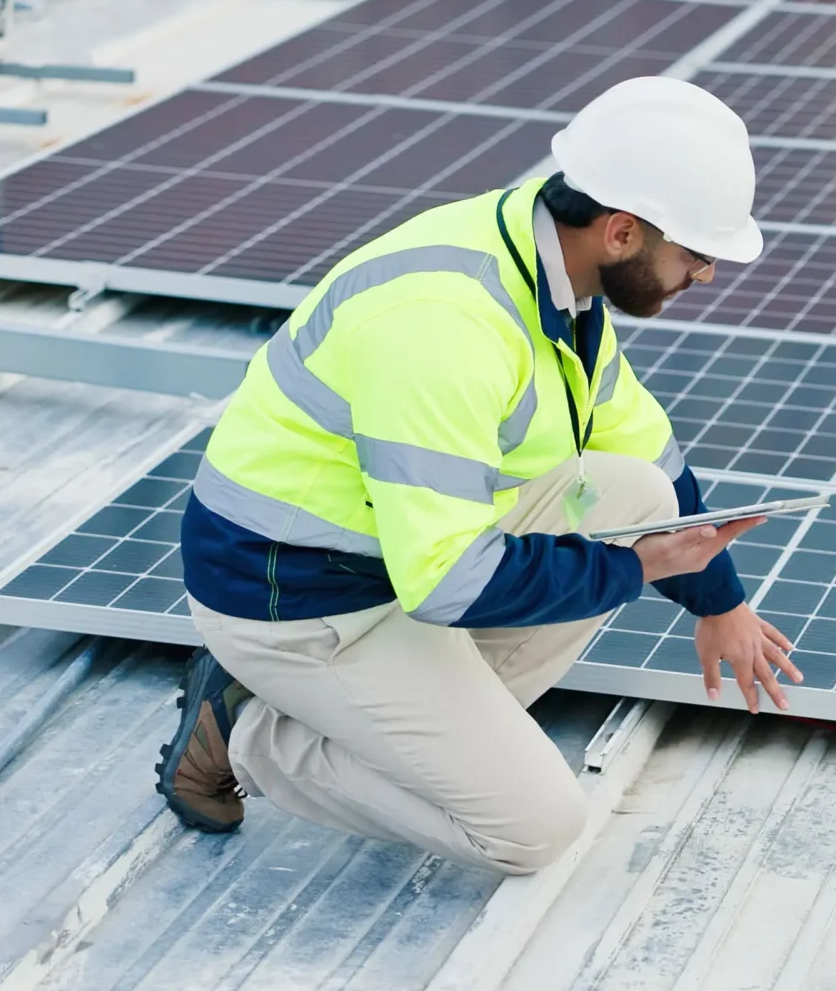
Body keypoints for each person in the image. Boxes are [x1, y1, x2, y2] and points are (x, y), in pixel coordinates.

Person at [155, 76, 803, 875]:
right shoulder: (444, 326)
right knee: (534, 829)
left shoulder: (551, 272)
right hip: (297, 597)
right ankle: (248, 731)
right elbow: (449, 583)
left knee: (638, 494)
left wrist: (721, 603)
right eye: (698, 254)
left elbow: (651, 460)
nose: (704, 274)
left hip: (389, 556)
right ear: (622, 232)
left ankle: (421, 718)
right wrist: (633, 570)